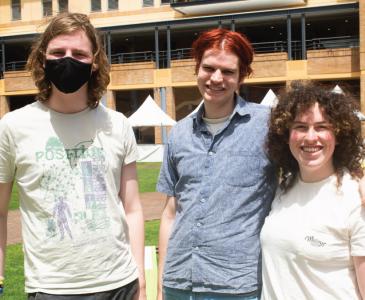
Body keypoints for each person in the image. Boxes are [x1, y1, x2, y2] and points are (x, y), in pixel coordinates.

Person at [0, 13, 146, 299]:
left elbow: (133, 208)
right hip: (51, 288)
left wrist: (140, 278)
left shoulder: (118, 124)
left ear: (94, 63)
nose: (68, 60)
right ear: (43, 59)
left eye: (79, 53)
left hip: (120, 283)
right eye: (58, 52)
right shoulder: (13, 127)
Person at [157, 28, 277, 299]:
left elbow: (315, 154)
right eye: (208, 68)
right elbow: (170, 211)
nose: (216, 78)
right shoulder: (179, 133)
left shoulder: (268, 125)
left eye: (228, 71)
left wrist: (356, 176)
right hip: (177, 282)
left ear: (241, 76)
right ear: (196, 68)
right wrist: (162, 280)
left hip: (236, 285)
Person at [261, 81, 365, 299]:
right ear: (286, 135)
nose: (310, 137)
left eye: (322, 127)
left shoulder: (356, 197)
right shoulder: (283, 189)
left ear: (338, 136)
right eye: (300, 127)